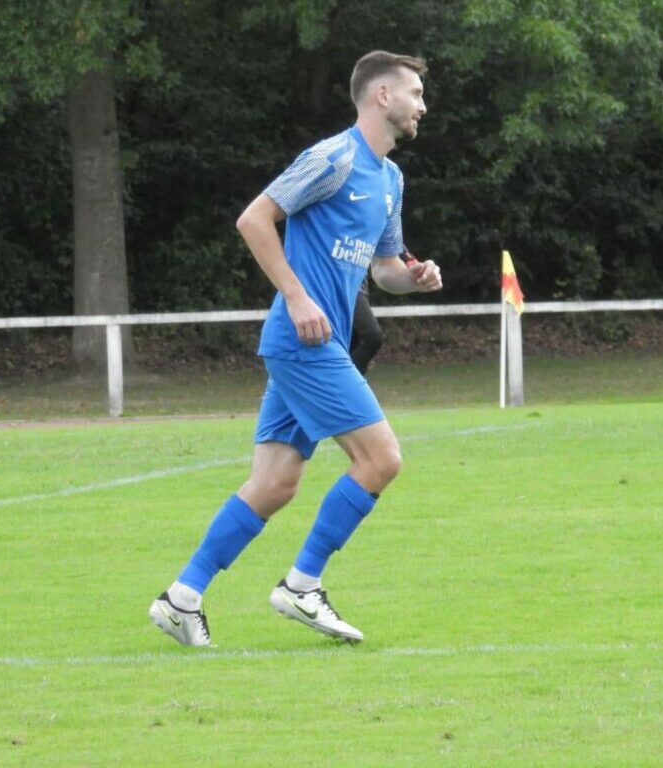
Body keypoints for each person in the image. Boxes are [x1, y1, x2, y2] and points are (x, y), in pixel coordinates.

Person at [149, 51, 442, 647]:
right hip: (305, 339)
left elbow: (384, 268)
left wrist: (411, 279)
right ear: (381, 96)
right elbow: (254, 219)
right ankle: (302, 586)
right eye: (414, 93)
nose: (422, 105)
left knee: (275, 483)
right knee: (381, 459)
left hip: (310, 343)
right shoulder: (332, 158)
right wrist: (297, 295)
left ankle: (182, 598)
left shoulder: (391, 179)